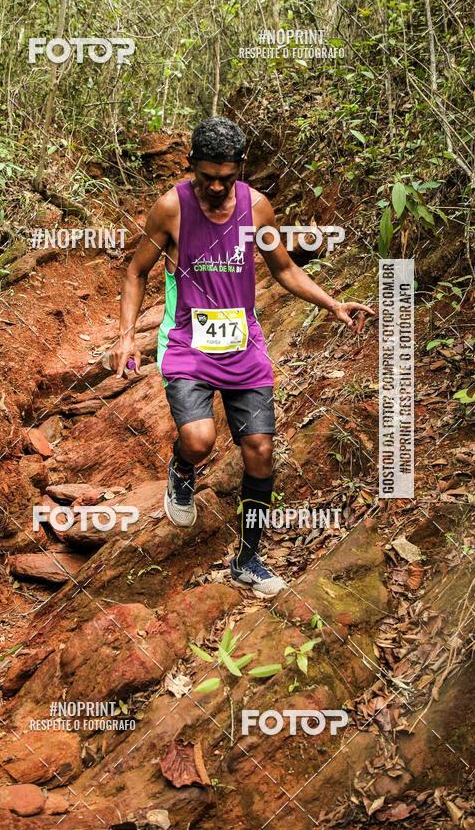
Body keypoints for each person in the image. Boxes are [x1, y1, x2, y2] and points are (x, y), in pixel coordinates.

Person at [110, 117, 374, 597]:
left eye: (225, 177)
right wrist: (126, 336)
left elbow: (284, 269)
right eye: (206, 174)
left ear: (240, 169)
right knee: (198, 438)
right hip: (188, 342)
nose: (215, 185)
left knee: (260, 451)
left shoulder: (258, 209)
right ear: (190, 164)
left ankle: (249, 559)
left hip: (243, 346)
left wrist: (332, 302)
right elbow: (135, 272)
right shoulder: (171, 208)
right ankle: (182, 469)